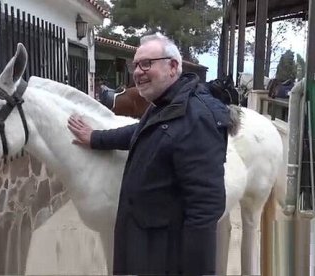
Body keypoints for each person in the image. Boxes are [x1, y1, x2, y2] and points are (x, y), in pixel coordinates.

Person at [68, 33, 229, 275]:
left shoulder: (197, 117)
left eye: (147, 64)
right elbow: (143, 131)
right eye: (136, 65)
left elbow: (205, 206)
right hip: (148, 245)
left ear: (173, 66)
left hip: (166, 257)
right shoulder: (168, 104)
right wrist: (95, 138)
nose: (138, 72)